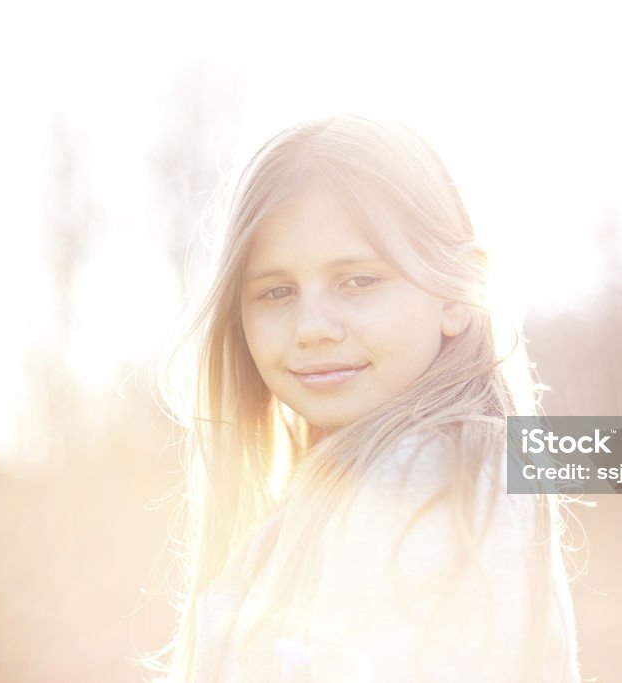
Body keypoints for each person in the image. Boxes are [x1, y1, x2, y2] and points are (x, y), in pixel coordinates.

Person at [147, 114, 582, 682]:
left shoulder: (434, 474)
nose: (312, 327)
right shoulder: (340, 493)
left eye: (358, 281)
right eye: (277, 291)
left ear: (457, 292)